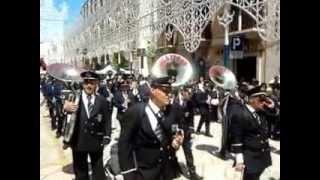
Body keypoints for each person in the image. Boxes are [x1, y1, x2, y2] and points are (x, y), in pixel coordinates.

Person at [118, 76, 184, 180]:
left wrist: (176, 140)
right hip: (144, 172)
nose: (169, 94)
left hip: (166, 169)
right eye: (165, 91)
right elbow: (124, 144)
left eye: (170, 91)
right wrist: (128, 172)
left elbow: (176, 130)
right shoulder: (136, 111)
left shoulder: (172, 111)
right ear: (153, 90)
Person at [63, 70, 111, 180]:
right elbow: (66, 115)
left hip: (96, 141)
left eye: (92, 82)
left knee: (98, 172)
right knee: (81, 173)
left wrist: (107, 135)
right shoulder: (75, 98)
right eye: (86, 82)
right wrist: (65, 108)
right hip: (79, 141)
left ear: (96, 84)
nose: (89, 85)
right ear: (82, 83)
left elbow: (107, 119)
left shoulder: (102, 100)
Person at [228, 86, 276, 180]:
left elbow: (274, 117)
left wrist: (272, 105)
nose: (264, 102)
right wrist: (239, 160)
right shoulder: (240, 113)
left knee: (256, 176)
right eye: (261, 99)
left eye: (264, 99)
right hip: (250, 157)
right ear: (252, 100)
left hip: (262, 155)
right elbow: (237, 138)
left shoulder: (261, 111)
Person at [172, 88, 203, 180]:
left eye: (191, 93)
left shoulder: (190, 103)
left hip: (186, 132)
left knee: (188, 152)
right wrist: (174, 134)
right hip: (176, 132)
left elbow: (191, 118)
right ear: (183, 92)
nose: (190, 95)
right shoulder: (173, 102)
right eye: (189, 93)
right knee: (173, 152)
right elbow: (171, 119)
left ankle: (193, 173)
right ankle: (175, 169)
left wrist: (191, 130)